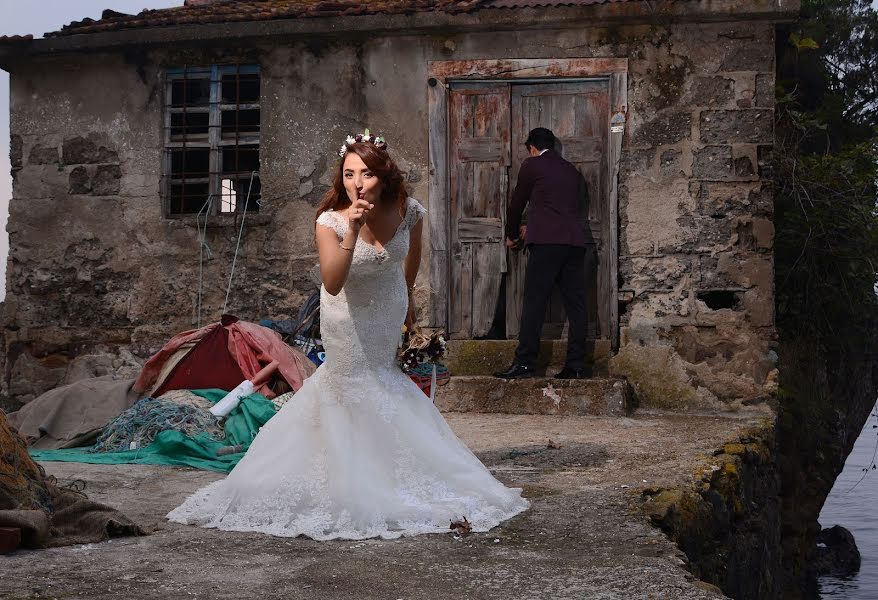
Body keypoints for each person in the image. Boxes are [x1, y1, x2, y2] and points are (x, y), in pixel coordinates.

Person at [168, 131, 528, 540]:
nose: (357, 182)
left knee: (385, 381)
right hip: (346, 316)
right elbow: (333, 283)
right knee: (348, 383)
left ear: (384, 177)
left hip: (386, 312)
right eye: (349, 173)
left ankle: (388, 468)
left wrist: (407, 302)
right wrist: (353, 230)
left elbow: (410, 261)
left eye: (367, 174)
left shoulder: (407, 211)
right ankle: (348, 475)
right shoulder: (330, 221)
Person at [494, 127, 589, 380]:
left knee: (534, 303)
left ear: (532, 148)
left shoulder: (532, 165)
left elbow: (516, 205)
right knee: (577, 305)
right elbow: (560, 208)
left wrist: (513, 235)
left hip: (547, 244)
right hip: (575, 243)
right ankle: (577, 365)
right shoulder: (572, 171)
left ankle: (525, 362)